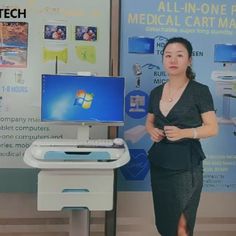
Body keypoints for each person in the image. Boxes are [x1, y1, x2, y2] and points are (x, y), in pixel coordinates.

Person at [145, 37, 218, 236]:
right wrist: (151, 130)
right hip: (160, 164)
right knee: (165, 222)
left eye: (179, 55)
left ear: (189, 60)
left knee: (182, 226)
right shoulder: (156, 92)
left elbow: (212, 128)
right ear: (163, 60)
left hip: (187, 167)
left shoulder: (199, 91)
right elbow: (149, 122)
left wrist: (184, 133)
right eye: (168, 55)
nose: (173, 60)